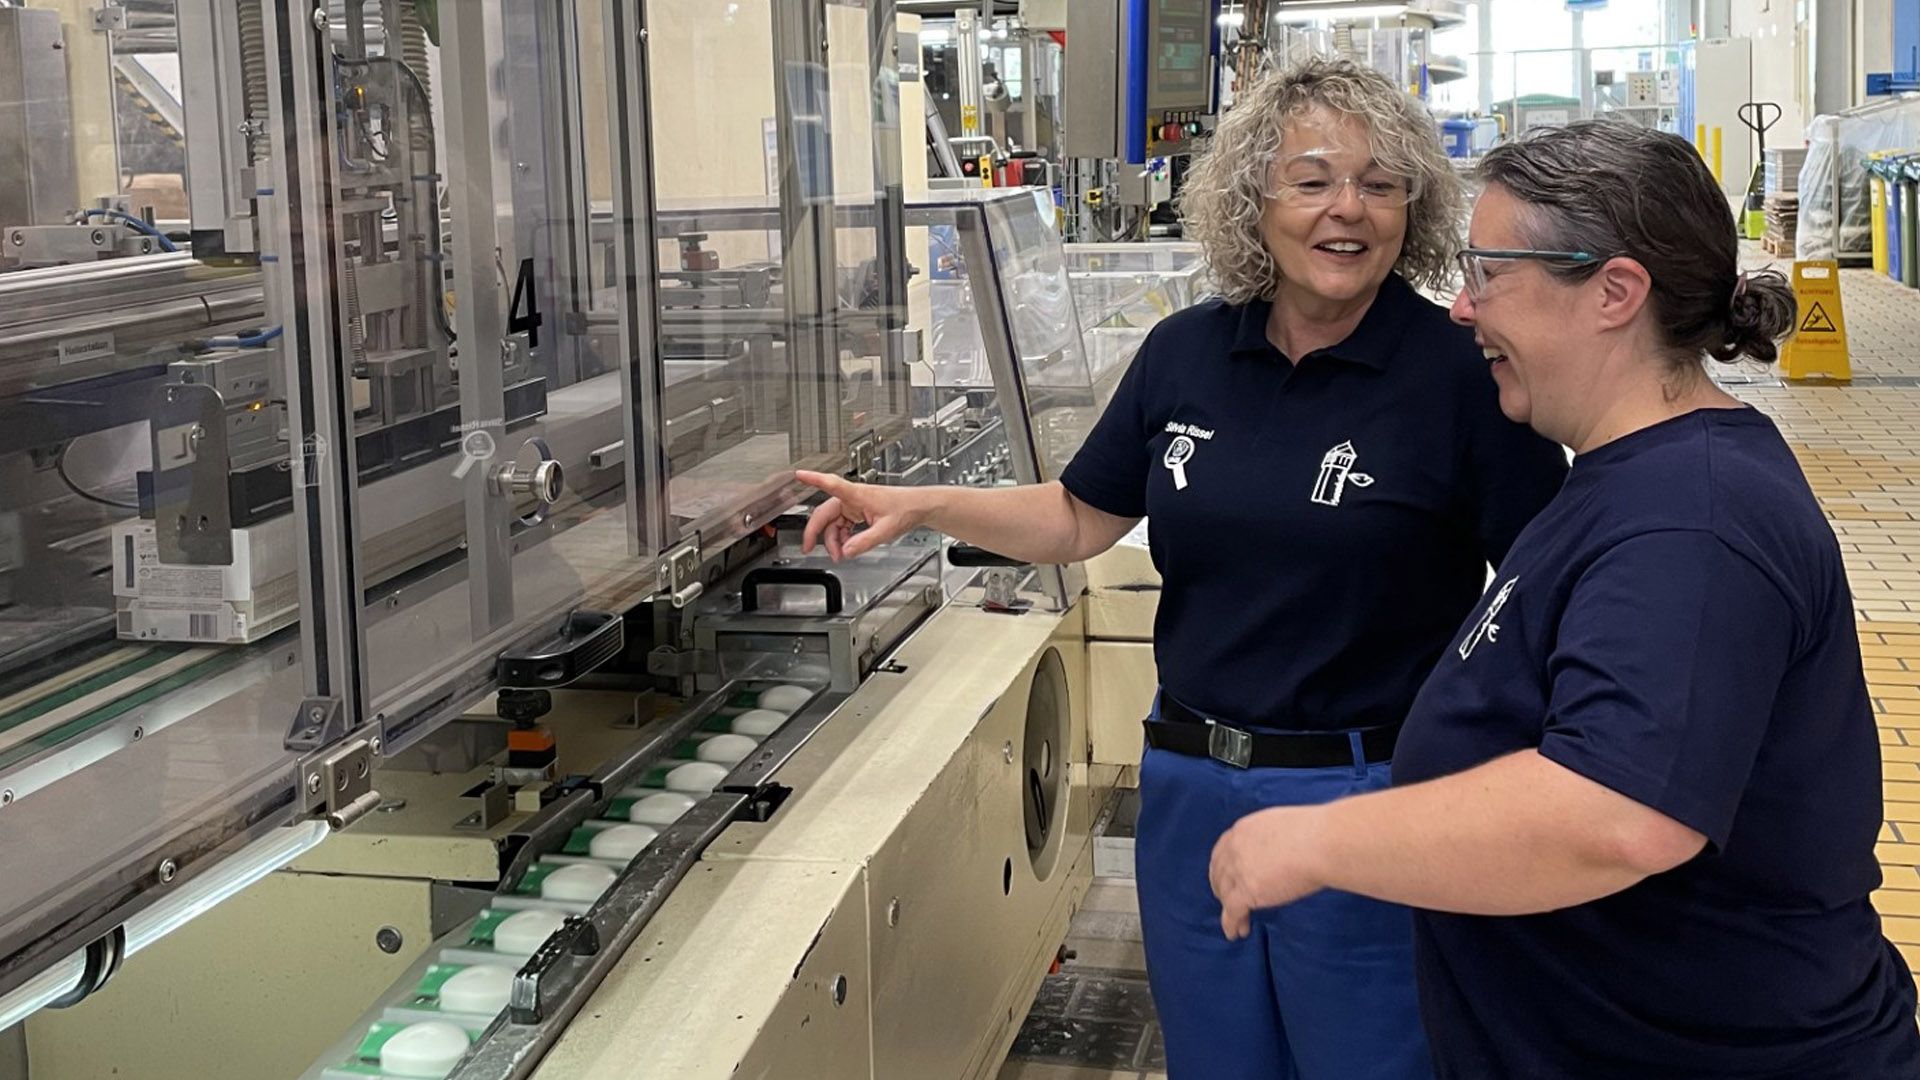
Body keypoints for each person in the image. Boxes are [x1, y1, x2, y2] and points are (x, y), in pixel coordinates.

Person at [797, 59, 1566, 1079]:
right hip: (1190, 789)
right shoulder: (1185, 355)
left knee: (1375, 1060)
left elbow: (1546, 589)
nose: (1349, 210)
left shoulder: (1461, 377)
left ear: (1414, 207)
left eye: (1381, 185)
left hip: (1371, 797)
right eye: (1314, 180)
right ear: (1253, 199)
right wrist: (918, 507)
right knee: (1217, 1061)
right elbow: (1077, 515)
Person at [1208, 119, 1920, 1078]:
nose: (1462, 308)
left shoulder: (1691, 522)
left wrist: (1314, 838)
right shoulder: (1626, 473)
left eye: (1489, 273)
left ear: (1615, 293)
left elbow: (1616, 810)